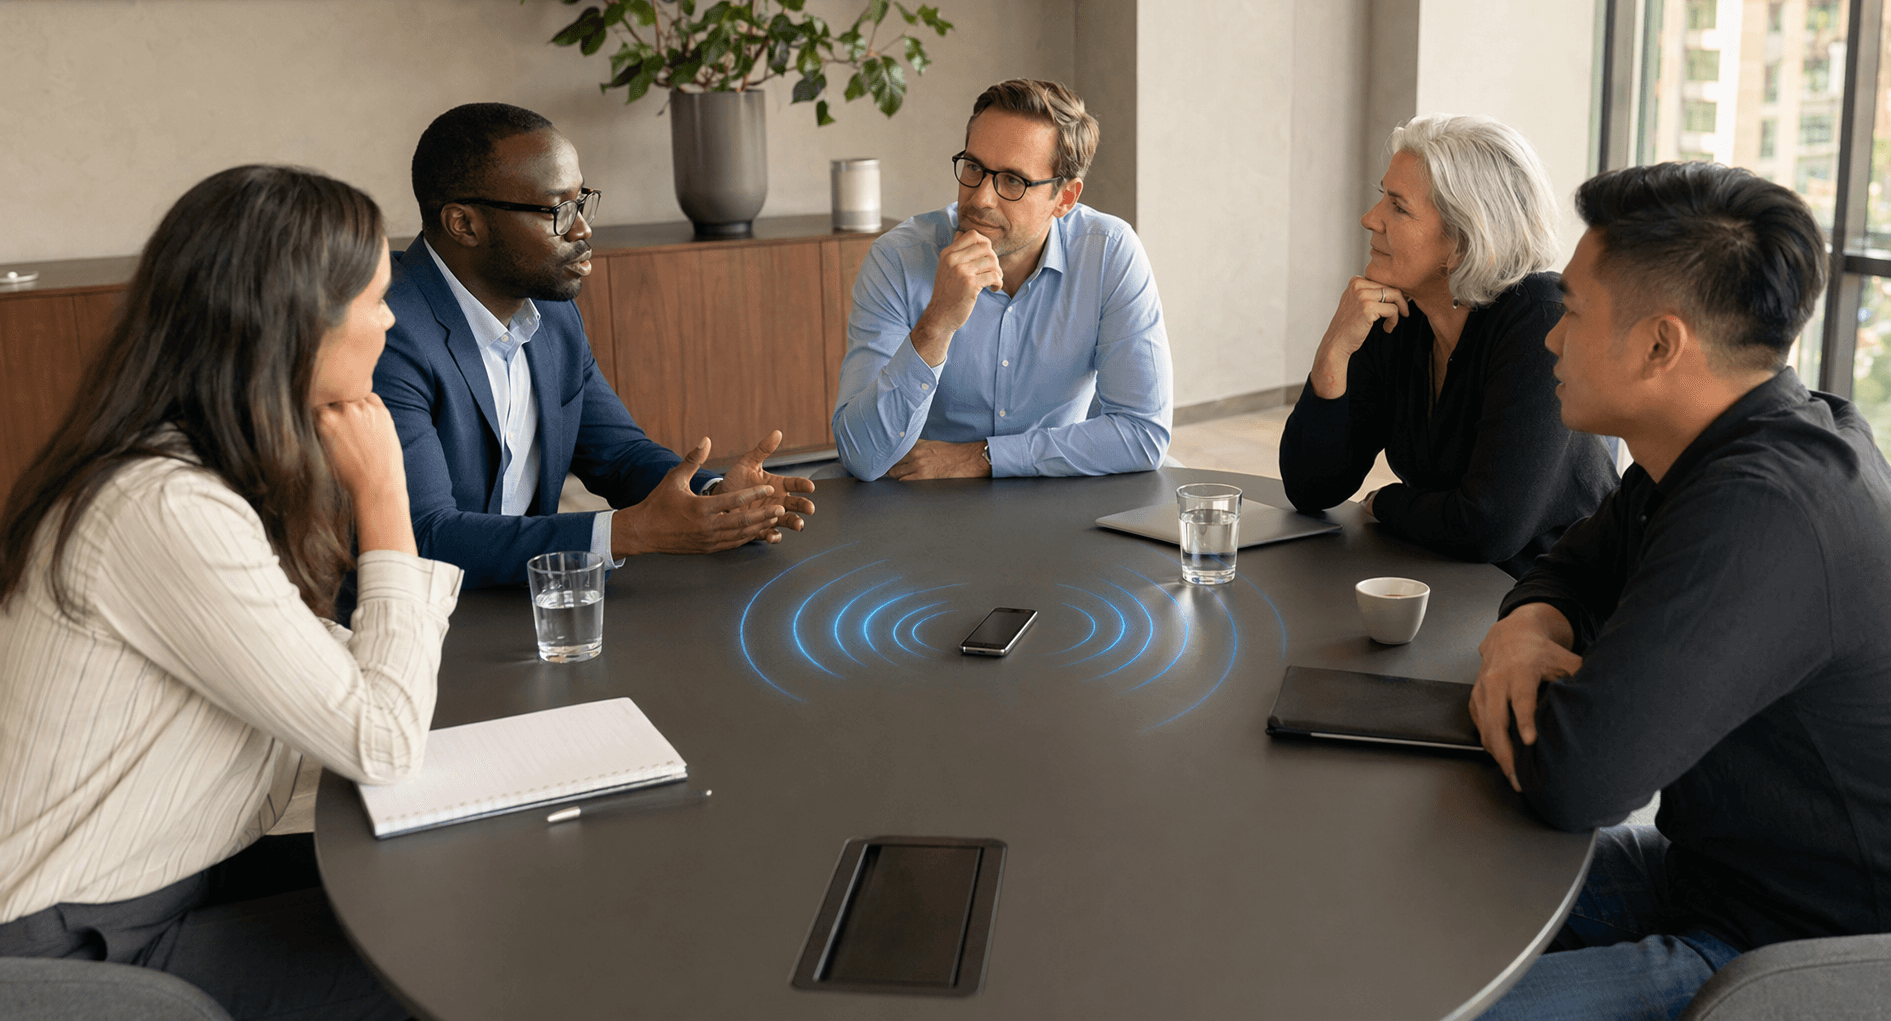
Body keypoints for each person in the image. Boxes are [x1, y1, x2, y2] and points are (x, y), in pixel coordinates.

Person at [1470, 162, 1891, 1020]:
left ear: (1661, 344)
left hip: (1821, 961)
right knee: (1413, 883)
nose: (1549, 337)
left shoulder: (1766, 509)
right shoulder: (1720, 442)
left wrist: (1526, 652)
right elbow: (1570, 567)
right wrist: (1523, 629)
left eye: (1571, 311)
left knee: (1429, 1001)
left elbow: (1575, 781)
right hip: (1722, 876)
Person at [0, 166, 453, 1019]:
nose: (392, 321)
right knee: (448, 958)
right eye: (377, 298)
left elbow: (313, 661)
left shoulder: (188, 471)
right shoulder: (165, 505)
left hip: (161, 880)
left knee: (443, 882)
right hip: (73, 935)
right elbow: (380, 740)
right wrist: (385, 501)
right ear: (297, 320)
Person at [378, 102, 814, 586]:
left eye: (582, 201)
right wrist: (628, 533)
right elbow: (425, 537)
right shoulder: (384, 332)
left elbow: (619, 456)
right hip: (416, 616)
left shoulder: (552, 314)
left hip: (527, 598)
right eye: (558, 211)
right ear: (464, 224)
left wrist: (714, 499)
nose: (583, 229)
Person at [1279, 114, 1618, 577]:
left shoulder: (1539, 318)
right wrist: (1333, 353)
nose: (1369, 218)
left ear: (1461, 241)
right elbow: (1311, 488)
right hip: (1448, 579)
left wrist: (1388, 501)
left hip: (1558, 599)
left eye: (1398, 207)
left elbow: (1488, 526)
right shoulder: (1397, 315)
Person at [832, 78, 1172, 480]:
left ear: (1064, 198)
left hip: (1058, 492)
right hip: (925, 498)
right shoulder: (898, 260)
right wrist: (936, 325)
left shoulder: (1109, 253)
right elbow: (862, 456)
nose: (980, 199)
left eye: (1013, 180)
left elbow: (1143, 433)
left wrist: (982, 457)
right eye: (974, 167)